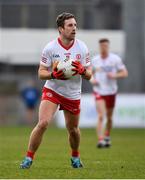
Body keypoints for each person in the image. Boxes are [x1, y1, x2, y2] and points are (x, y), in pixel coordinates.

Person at [20, 12, 92, 169]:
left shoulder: (82, 47)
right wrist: (52, 74)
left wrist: (82, 70)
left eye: (75, 25)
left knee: (72, 129)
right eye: (70, 25)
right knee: (43, 123)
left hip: (72, 93)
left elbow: (89, 74)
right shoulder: (50, 48)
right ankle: (28, 158)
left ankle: (75, 156)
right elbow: (41, 73)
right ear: (61, 29)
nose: (74, 28)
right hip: (53, 90)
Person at [90, 38, 128, 148]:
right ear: (99, 47)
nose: (103, 48)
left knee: (109, 117)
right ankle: (101, 140)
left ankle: (107, 136)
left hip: (111, 91)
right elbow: (89, 74)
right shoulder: (95, 60)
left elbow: (125, 73)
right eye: (102, 46)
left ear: (108, 46)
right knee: (101, 115)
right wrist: (93, 80)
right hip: (99, 91)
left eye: (105, 46)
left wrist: (114, 75)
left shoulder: (115, 59)